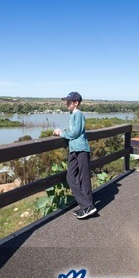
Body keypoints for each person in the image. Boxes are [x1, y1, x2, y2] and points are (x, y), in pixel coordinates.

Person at [53, 91, 97, 219]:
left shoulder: (78, 115)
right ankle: (87, 205)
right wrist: (63, 132)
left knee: (83, 178)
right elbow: (73, 131)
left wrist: (62, 134)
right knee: (71, 177)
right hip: (74, 149)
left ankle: (87, 206)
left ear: (76, 103)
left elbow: (75, 133)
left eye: (69, 101)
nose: (66, 103)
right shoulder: (73, 114)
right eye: (66, 101)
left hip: (80, 149)